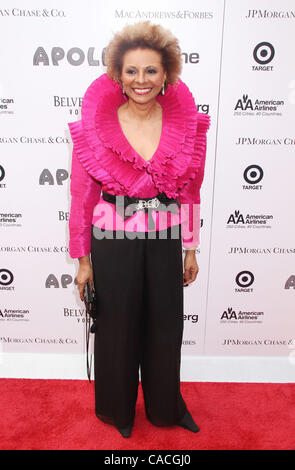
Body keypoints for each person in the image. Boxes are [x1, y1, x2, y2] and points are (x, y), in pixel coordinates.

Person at [68, 20, 211, 438]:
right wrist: (83, 261)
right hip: (112, 241)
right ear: (118, 75)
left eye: (151, 70)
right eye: (132, 71)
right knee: (117, 328)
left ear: (167, 74)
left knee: (167, 327)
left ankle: (166, 408)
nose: (141, 80)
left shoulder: (185, 126)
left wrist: (190, 248)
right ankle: (118, 412)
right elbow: (81, 198)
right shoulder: (97, 127)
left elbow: (190, 191)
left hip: (166, 238)